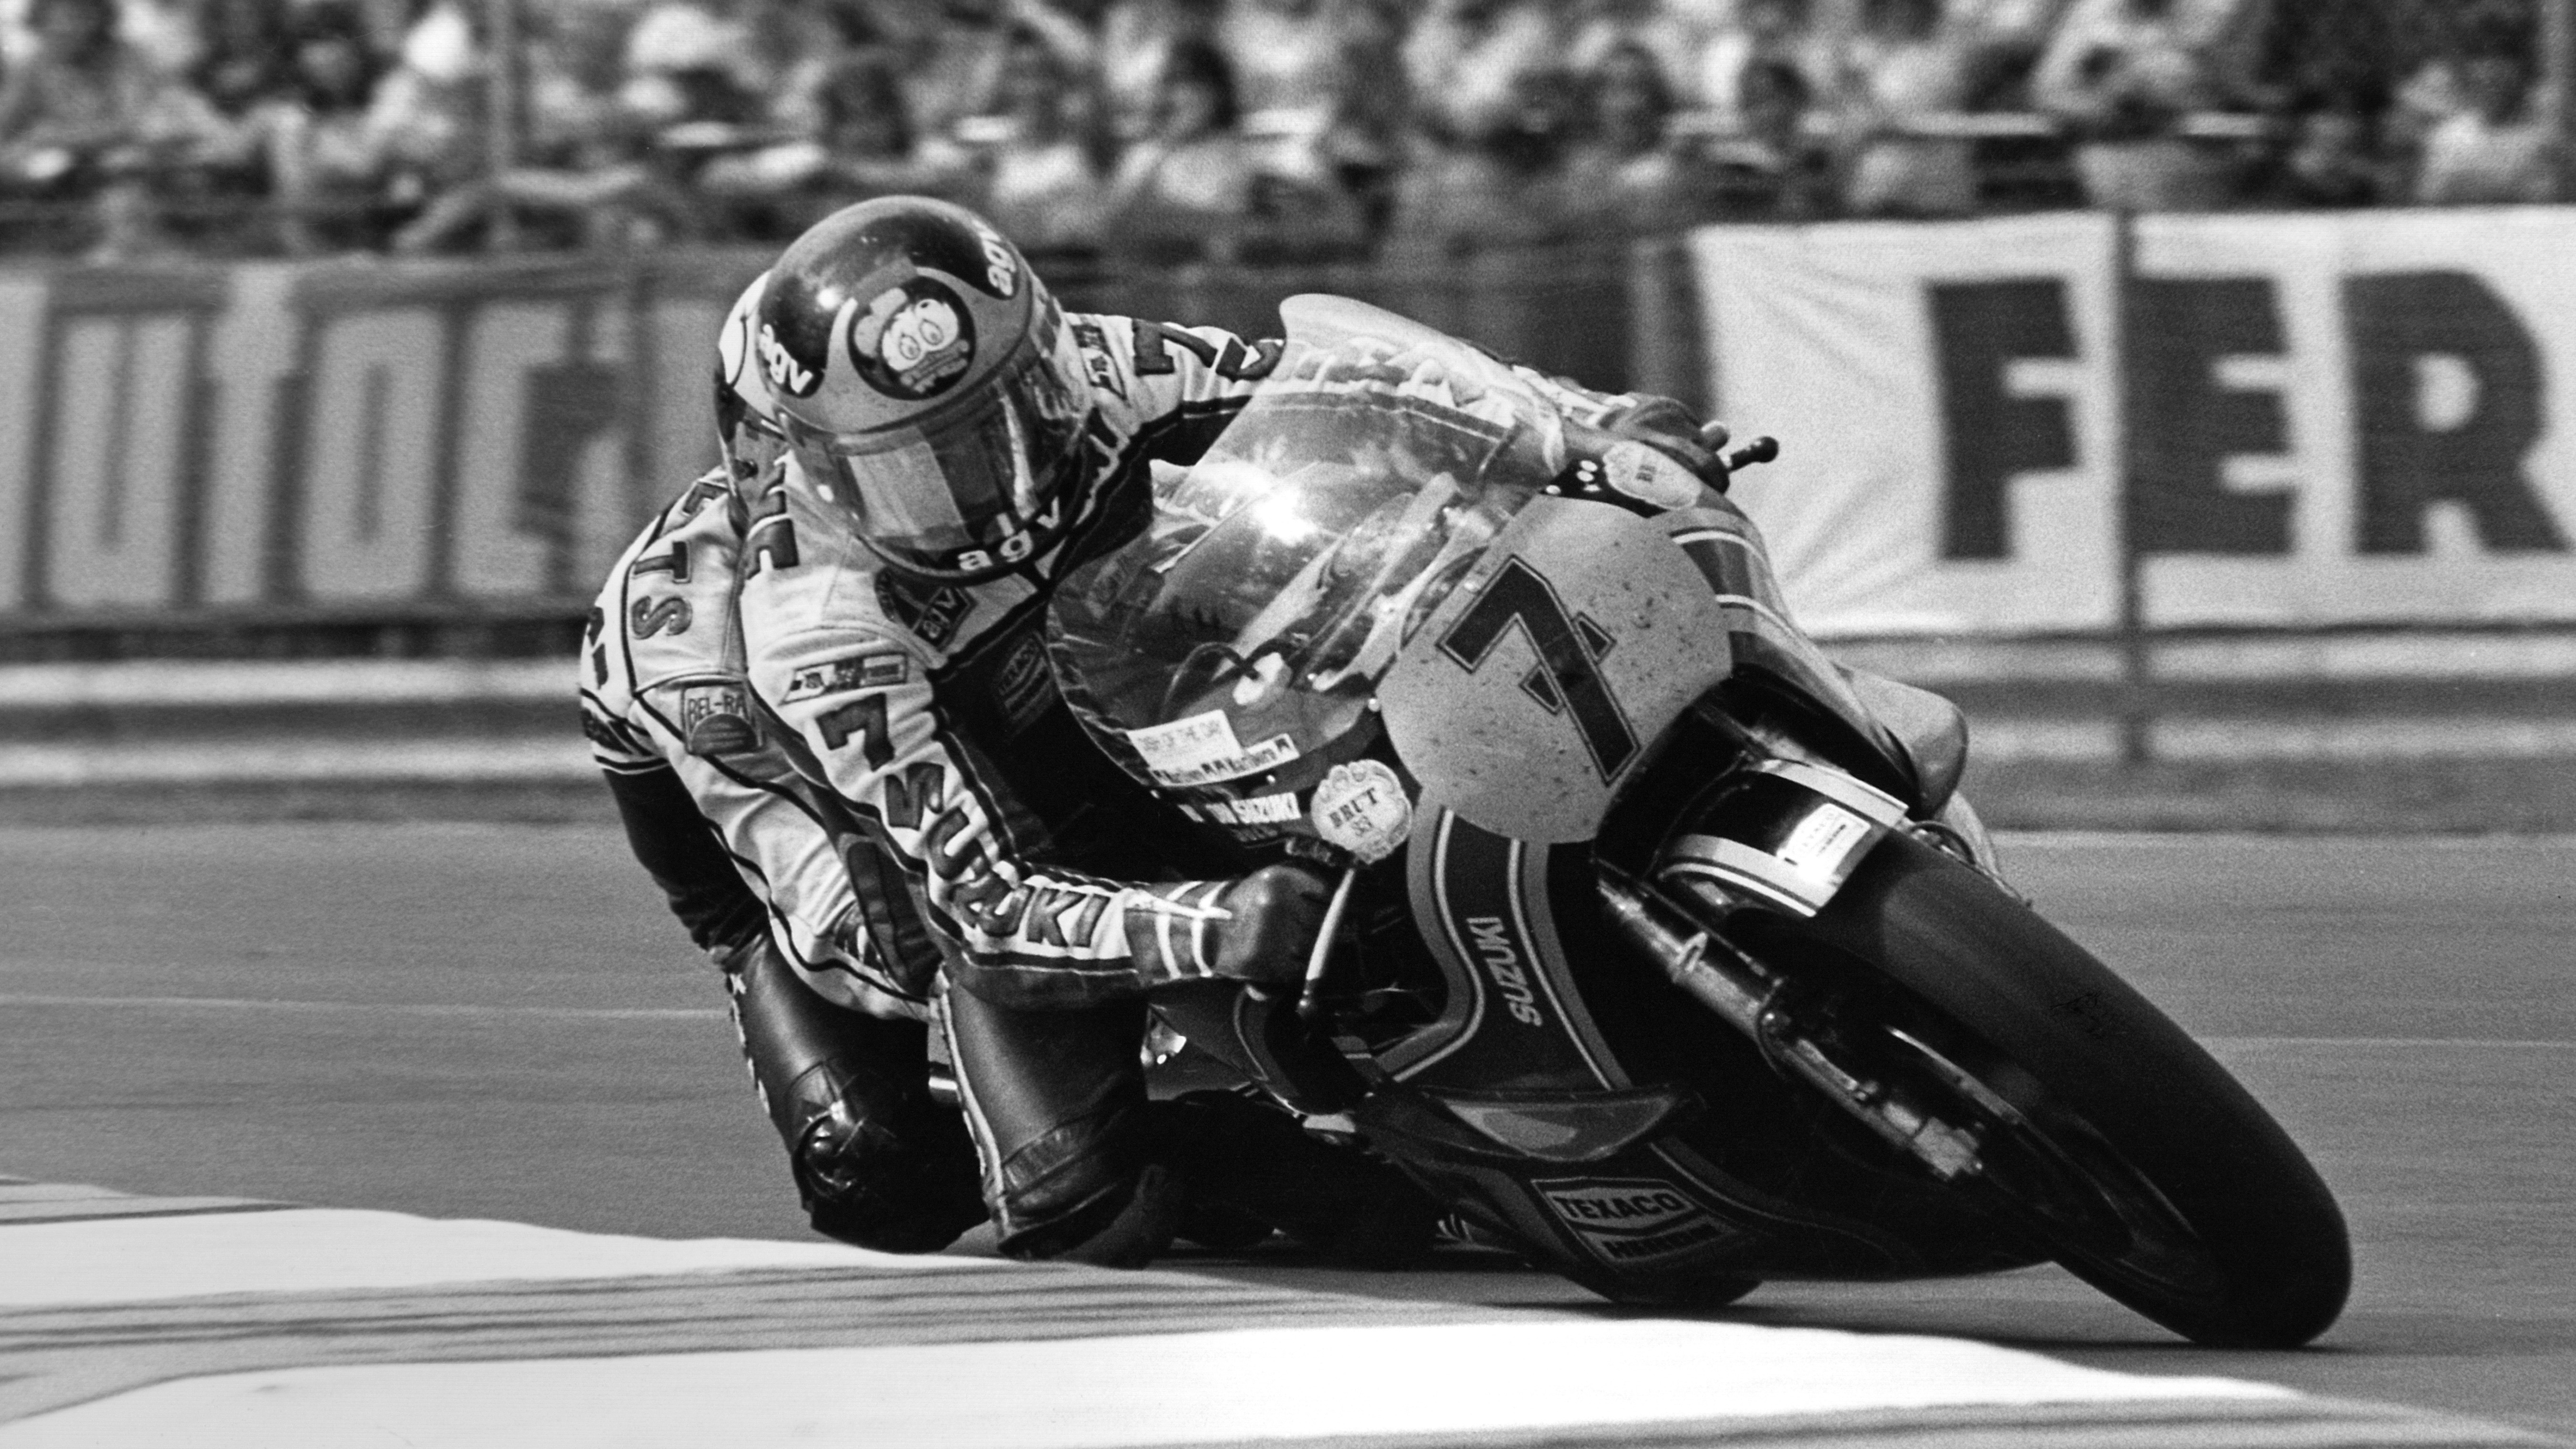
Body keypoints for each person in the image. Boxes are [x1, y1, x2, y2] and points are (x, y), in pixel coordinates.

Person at [732, 195, 1730, 1266]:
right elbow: (982, 904)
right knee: (1085, 1205)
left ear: (1049, 364)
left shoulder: (1115, 371)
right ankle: (1321, 1147)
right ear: (826, 469)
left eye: (1006, 424)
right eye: (917, 468)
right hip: (1065, 863)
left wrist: (1589, 424)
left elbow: (1378, 390)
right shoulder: (816, 626)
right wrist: (1207, 925)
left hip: (1196, 705)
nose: (989, 488)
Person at [581, 272, 986, 1253]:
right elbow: (839, 902)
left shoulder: (999, 487)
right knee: (875, 1177)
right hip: (816, 873)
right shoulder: (683, 631)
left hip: (988, 787)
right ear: (763, 447)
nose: (915, 475)